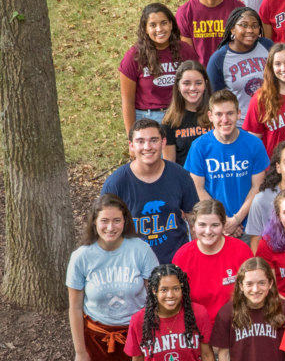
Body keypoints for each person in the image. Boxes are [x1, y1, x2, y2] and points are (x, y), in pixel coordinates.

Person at [68, 194, 159, 361]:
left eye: (116, 220)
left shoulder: (141, 250)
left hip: (138, 334)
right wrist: (80, 352)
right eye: (104, 221)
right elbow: (75, 308)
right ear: (94, 221)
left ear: (125, 221)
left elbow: (155, 299)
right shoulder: (81, 257)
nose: (110, 227)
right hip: (96, 338)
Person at [102, 120, 200, 264]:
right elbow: (105, 232)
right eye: (140, 141)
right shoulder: (116, 184)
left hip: (177, 264)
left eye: (153, 140)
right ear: (131, 145)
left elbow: (195, 222)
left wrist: (197, 259)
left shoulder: (180, 176)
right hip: (134, 267)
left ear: (163, 142)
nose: (147, 147)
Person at [186, 89, 269, 242]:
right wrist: (223, 221)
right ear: (210, 116)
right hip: (213, 227)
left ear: (238, 114)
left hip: (249, 225)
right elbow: (197, 188)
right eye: (219, 114)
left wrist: (237, 220)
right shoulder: (199, 146)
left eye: (230, 113)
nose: (225, 120)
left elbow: (258, 187)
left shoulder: (254, 144)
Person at [120, 4, 201, 133]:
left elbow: (198, 85)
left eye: (163, 23)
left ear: (171, 24)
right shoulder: (134, 56)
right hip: (148, 120)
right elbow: (128, 102)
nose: (159, 29)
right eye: (153, 25)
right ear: (145, 29)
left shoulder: (185, 51)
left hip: (181, 116)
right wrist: (131, 138)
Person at [172, 199, 253, 316]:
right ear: (193, 226)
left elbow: (252, 292)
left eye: (215, 225)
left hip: (236, 323)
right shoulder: (182, 256)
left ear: (223, 225)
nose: (208, 231)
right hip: (198, 326)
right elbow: (177, 301)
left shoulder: (241, 250)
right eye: (202, 225)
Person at [124, 264, 214, 361]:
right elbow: (137, 359)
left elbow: (207, 355)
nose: (170, 295)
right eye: (164, 290)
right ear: (154, 291)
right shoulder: (138, 320)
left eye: (176, 288)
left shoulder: (199, 313)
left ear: (182, 288)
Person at [209, 257, 285, 361]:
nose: (255, 289)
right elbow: (224, 355)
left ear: (270, 284)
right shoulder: (227, 313)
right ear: (241, 286)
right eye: (249, 284)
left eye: (262, 283)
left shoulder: (284, 310)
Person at [206, 7, 274, 122]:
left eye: (254, 26)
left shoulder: (268, 46)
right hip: (239, 125)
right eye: (244, 25)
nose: (250, 30)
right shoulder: (219, 59)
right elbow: (215, 100)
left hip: (271, 120)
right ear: (232, 29)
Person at [177, 0, 246, 66]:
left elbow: (243, 46)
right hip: (199, 75)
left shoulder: (238, 9)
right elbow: (187, 54)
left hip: (232, 72)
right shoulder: (185, 12)